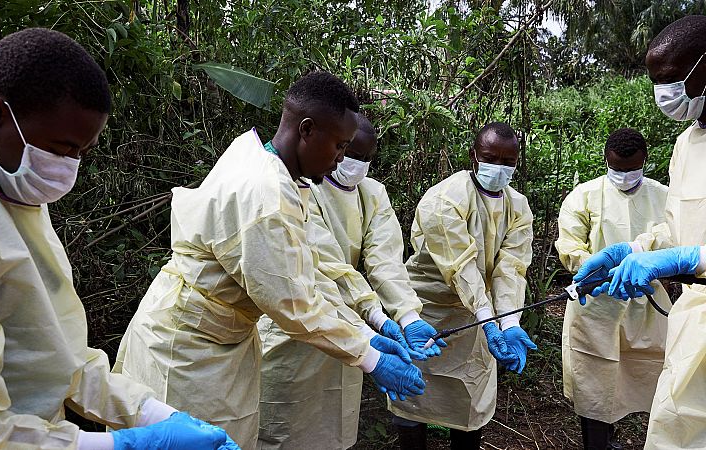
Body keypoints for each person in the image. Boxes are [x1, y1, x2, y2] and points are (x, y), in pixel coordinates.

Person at [0, 28, 232, 449]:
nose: (69, 167)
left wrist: (155, 413)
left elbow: (58, 347)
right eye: (61, 148)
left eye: (84, 151)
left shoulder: (11, 187)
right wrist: (123, 445)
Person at [114, 72, 426, 449]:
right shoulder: (266, 195)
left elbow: (309, 271)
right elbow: (295, 304)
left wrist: (369, 330)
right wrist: (370, 358)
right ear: (308, 130)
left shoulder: (274, 170)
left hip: (221, 342)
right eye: (340, 146)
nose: (342, 158)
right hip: (187, 350)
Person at [257, 113, 445, 450]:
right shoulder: (300, 185)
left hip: (349, 330)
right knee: (279, 425)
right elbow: (322, 263)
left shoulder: (371, 194)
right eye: (346, 151)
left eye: (364, 157)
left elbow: (385, 260)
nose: (351, 162)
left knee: (333, 427)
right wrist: (375, 316)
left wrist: (407, 316)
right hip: (294, 322)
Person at [573, 16, 706, 449]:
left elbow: (688, 249)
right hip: (694, 321)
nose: (662, 94)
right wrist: (633, 249)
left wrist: (686, 260)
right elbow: (677, 226)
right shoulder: (688, 145)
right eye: (655, 81)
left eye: (670, 78)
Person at [389, 122, 536, 450]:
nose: (498, 168)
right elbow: (460, 267)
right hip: (428, 310)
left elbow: (511, 269)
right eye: (489, 157)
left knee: (470, 399)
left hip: (476, 318)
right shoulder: (445, 198)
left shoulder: (518, 206)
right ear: (473, 155)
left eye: (507, 161)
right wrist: (489, 318)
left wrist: (509, 322)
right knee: (414, 395)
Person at [555, 128, 670, 449]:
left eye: (631, 169)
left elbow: (675, 237)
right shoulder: (584, 195)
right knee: (595, 380)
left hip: (646, 302)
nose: (623, 176)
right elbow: (569, 244)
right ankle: (598, 443)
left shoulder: (664, 197)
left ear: (645, 160)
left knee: (648, 374)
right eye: (616, 169)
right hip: (595, 302)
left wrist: (640, 263)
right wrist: (591, 267)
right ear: (606, 160)